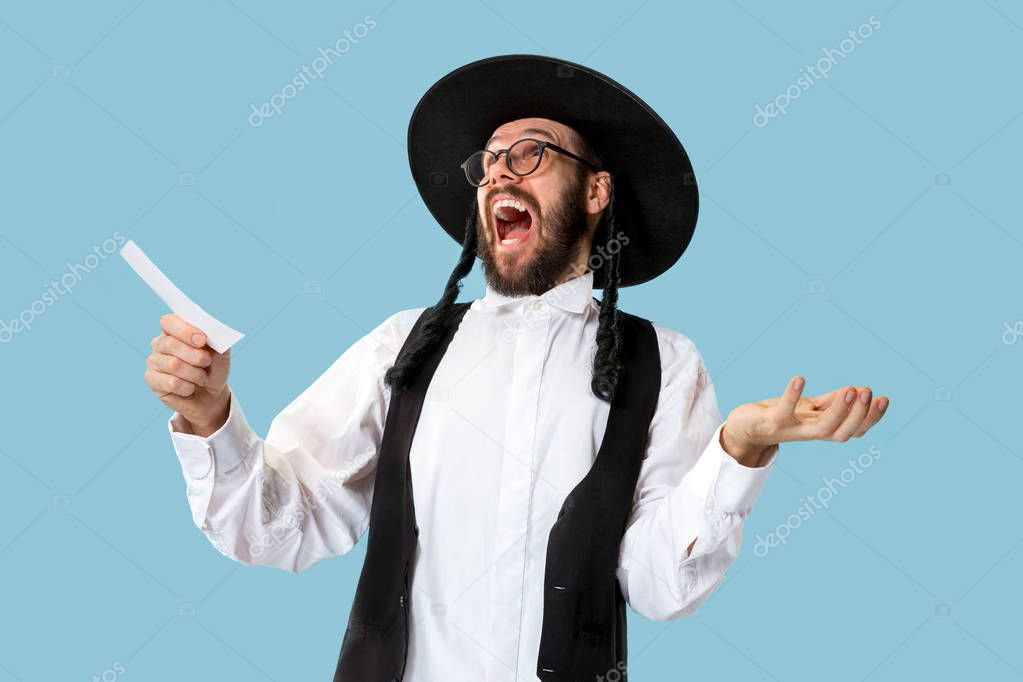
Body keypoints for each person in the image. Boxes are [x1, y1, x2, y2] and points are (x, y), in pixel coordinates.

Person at [142, 55, 889, 681]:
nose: (499, 174)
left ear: (595, 191)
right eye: (488, 161)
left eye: (529, 154)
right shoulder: (405, 346)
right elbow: (281, 527)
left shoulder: (665, 364)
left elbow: (660, 587)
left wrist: (740, 448)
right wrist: (210, 417)